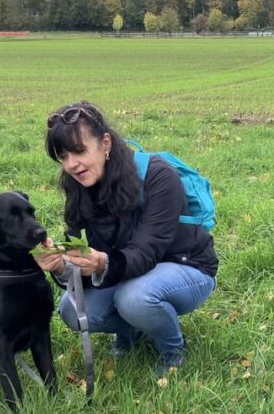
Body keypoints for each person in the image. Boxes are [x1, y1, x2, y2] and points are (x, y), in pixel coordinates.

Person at [34, 101, 218, 375]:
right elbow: (83, 255)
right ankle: (133, 330)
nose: (72, 164)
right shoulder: (78, 185)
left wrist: (100, 263)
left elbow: (147, 252)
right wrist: (62, 266)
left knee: (134, 298)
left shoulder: (158, 175)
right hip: (127, 270)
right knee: (71, 310)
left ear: (105, 143)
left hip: (186, 266)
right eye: (63, 156)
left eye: (79, 151)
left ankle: (173, 350)